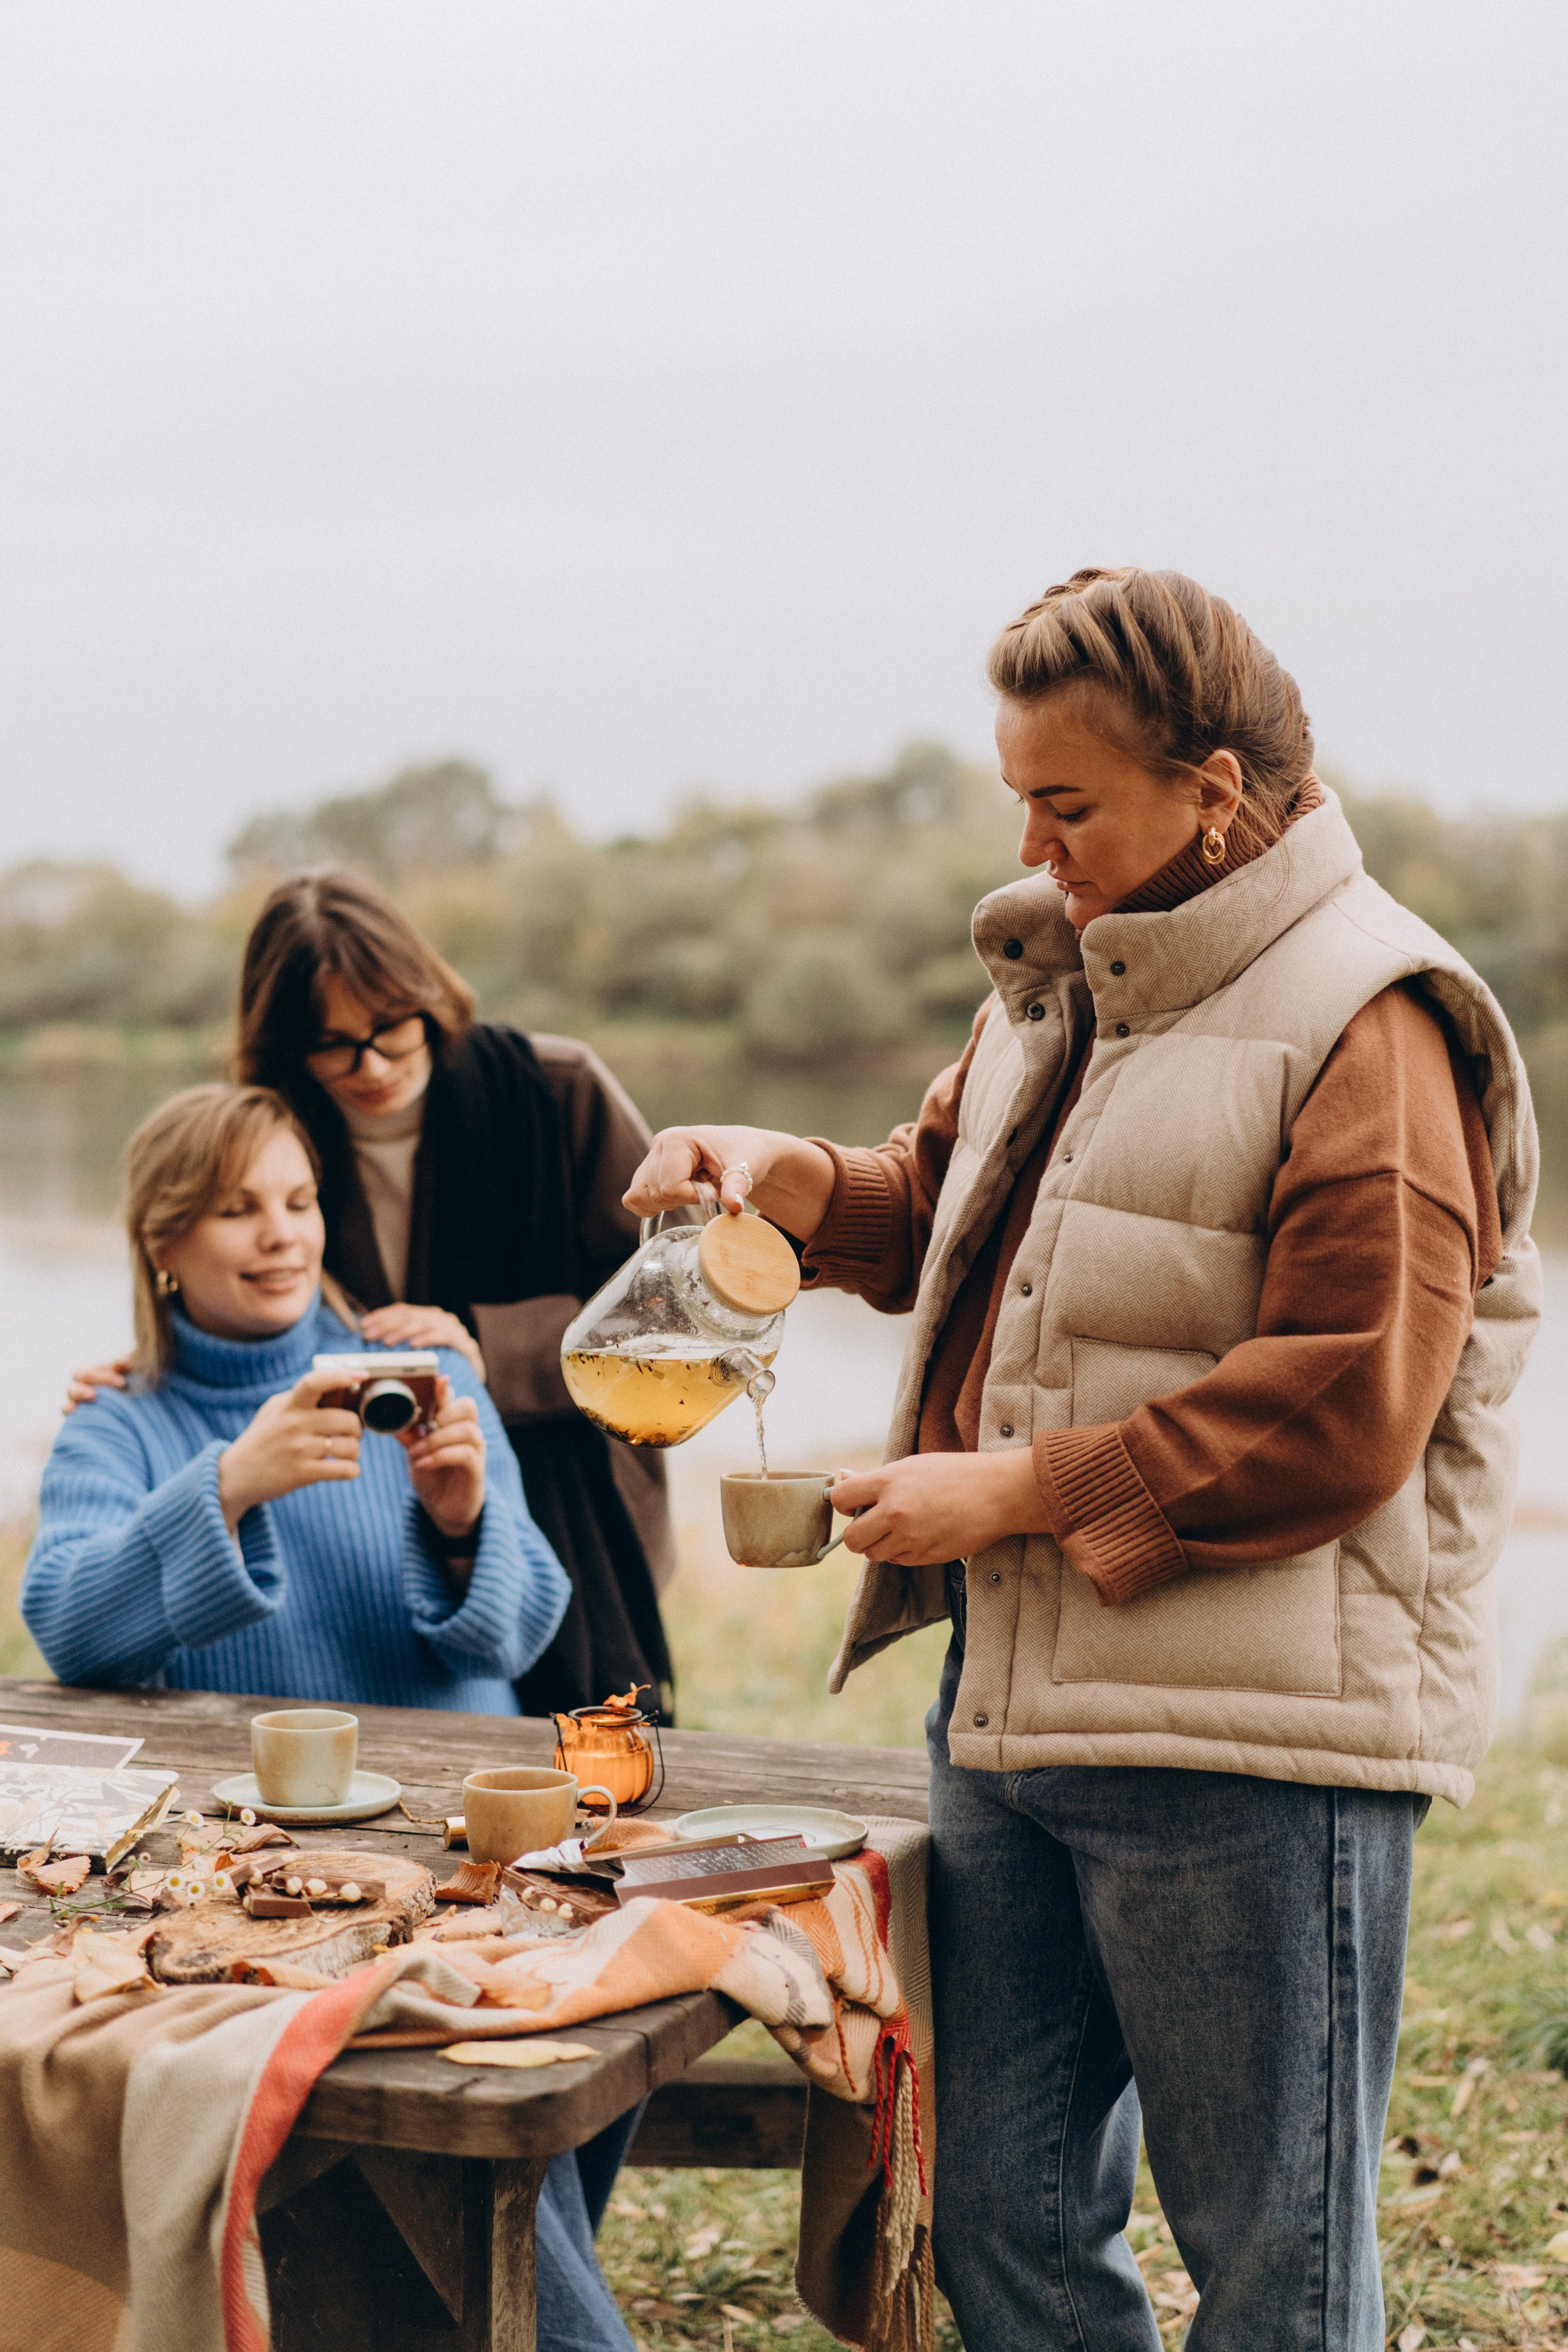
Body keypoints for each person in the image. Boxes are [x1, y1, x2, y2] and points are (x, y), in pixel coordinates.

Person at [624, 567, 1540, 2351]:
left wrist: (1022, 1490)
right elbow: (947, 1219)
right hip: (1016, 1706)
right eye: (1017, 801)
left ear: (1212, 790)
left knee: (1277, 2269)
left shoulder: (1380, 1019)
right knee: (1000, 2225)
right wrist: (791, 1181)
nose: (1037, 844)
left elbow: (1350, 1397)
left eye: (1069, 803)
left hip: (1257, 1759)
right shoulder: (1069, 981)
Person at [23, 1082, 638, 2352]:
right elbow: (70, 1628)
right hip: (265, 1894)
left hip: (477, 1870)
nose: (280, 1235)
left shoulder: (416, 1381)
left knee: (581, 2064)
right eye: (235, 1209)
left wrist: (467, 1516)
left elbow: (518, 1636)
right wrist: (227, 1487)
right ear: (163, 1242)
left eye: (298, 1202)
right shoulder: (121, 1425)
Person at [69, 868, 674, 1719]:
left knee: (584, 1733)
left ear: (429, 998)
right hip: (372, 1489)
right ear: (286, 1046)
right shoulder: (275, 1127)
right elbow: (238, 1283)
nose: (374, 1064)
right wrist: (159, 1359)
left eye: (393, 1028)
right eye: (333, 1043)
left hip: (566, 1485)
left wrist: (480, 1347)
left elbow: (685, 1299)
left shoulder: (557, 1091)